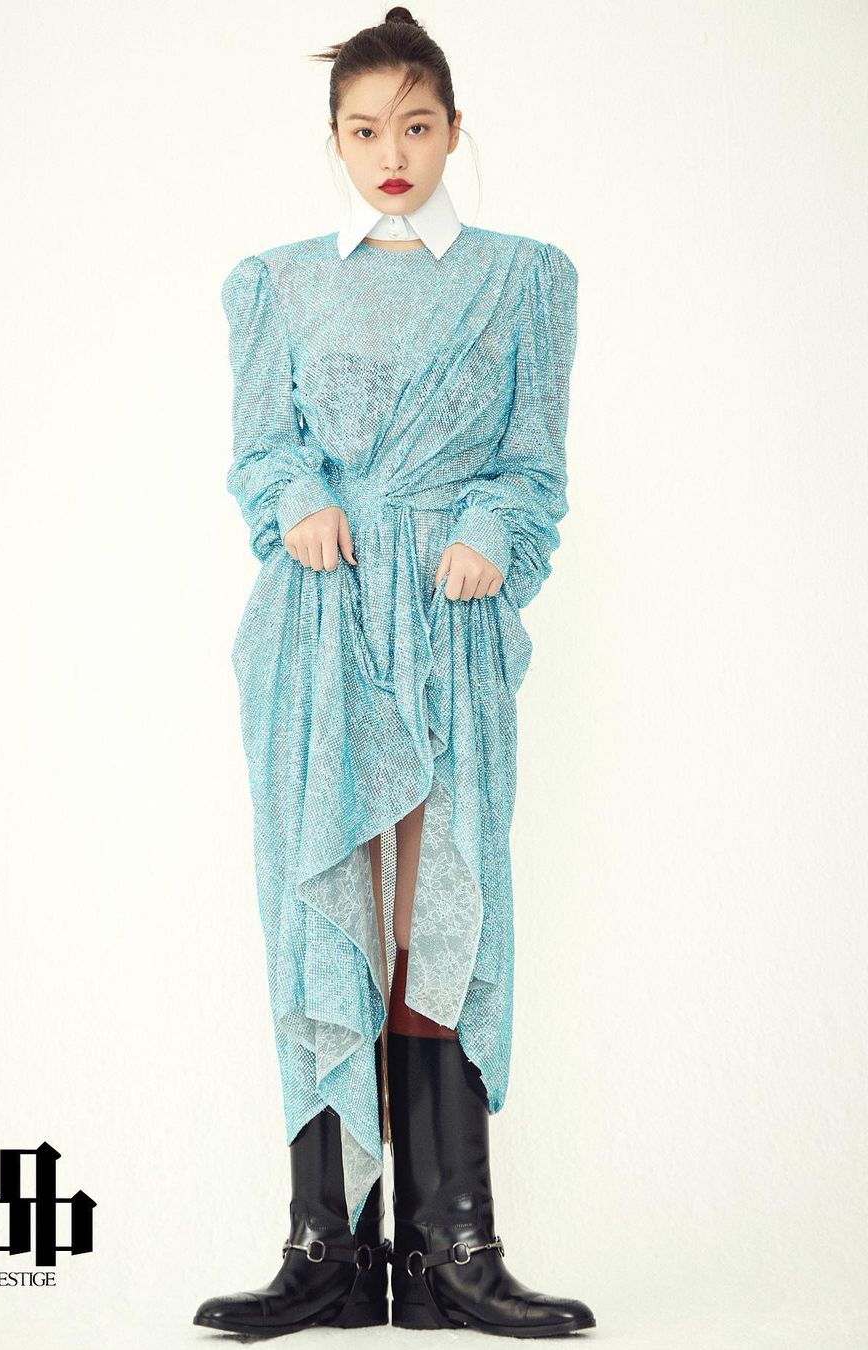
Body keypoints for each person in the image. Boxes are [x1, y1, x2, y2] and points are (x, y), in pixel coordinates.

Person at [193, 7, 595, 1338]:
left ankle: (449, 1252)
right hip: (321, 625)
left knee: (440, 911)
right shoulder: (274, 284)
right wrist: (298, 498)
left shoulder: (527, 278)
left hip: (447, 622)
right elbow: (262, 451)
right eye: (364, 130)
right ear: (335, 140)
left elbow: (534, 467)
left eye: (416, 126)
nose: (392, 153)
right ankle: (327, 1248)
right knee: (325, 913)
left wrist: (489, 530)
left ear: (454, 131)